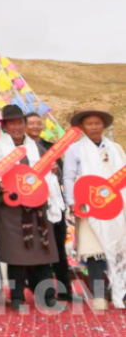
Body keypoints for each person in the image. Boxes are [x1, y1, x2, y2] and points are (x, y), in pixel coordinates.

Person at [0, 105, 62, 312]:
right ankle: (17, 297)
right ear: (5, 127)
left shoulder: (38, 148)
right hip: (10, 209)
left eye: (20, 122)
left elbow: (52, 173)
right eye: (12, 123)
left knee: (43, 255)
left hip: (37, 208)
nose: (17, 127)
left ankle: (47, 296)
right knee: (15, 256)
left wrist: (55, 170)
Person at [62, 106, 126, 311]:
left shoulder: (116, 148)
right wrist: (72, 202)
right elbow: (68, 177)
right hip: (89, 206)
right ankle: (99, 295)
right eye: (89, 123)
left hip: (115, 206)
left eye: (97, 123)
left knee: (120, 250)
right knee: (94, 252)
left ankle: (122, 293)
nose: (94, 127)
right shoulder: (74, 149)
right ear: (82, 127)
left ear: (103, 126)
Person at [26, 112, 79, 303]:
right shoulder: (21, 149)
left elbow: (63, 174)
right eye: (31, 123)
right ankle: (40, 289)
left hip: (55, 204)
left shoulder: (50, 147)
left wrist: (56, 172)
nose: (35, 126)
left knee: (59, 248)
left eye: (38, 123)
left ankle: (65, 290)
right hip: (34, 206)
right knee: (39, 250)